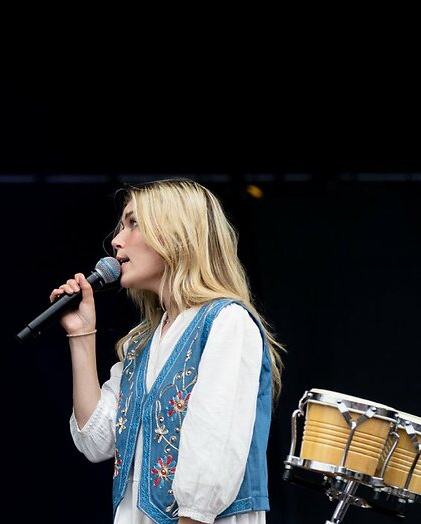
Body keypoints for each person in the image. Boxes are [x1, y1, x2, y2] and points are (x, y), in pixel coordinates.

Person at [51, 178, 285, 524]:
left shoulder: (226, 323)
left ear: (177, 236)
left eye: (134, 223)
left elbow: (210, 461)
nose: (116, 240)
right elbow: (96, 440)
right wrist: (82, 335)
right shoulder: (142, 342)